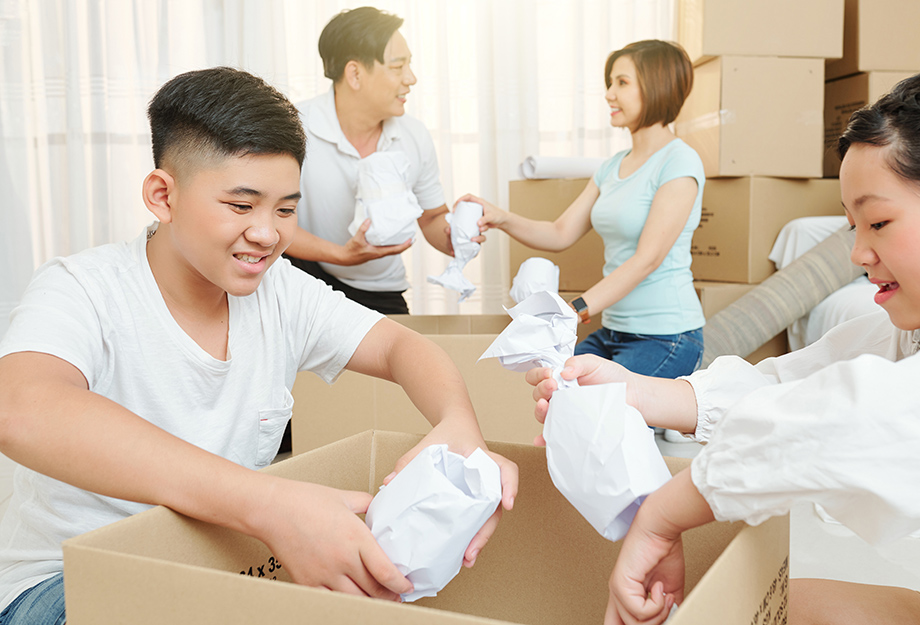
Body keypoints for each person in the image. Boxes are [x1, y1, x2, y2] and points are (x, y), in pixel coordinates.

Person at [0, 66, 517, 625]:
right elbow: (22, 408)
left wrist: (459, 424)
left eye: (286, 209)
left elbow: (400, 347)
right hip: (66, 581)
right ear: (162, 196)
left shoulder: (282, 294)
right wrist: (268, 504)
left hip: (221, 574)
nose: (268, 233)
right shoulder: (83, 288)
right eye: (241, 206)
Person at [528, 67, 920, 625]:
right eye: (852, 226)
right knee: (755, 603)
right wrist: (638, 391)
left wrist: (663, 516)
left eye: (879, 223)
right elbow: (797, 383)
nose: (858, 254)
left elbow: (849, 417)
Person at [461, 39, 705, 381]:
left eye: (621, 83)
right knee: (554, 389)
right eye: (610, 83)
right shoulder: (611, 167)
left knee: (590, 412)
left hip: (667, 338)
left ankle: (669, 418)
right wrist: (501, 217)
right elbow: (560, 233)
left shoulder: (679, 161)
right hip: (613, 333)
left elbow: (647, 259)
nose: (608, 94)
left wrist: (575, 308)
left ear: (657, 87)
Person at [286, 6, 467, 314]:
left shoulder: (413, 135)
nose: (411, 79)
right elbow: (269, 221)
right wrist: (342, 255)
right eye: (398, 67)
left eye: (409, 65)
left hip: (380, 288)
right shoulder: (293, 127)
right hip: (304, 279)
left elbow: (433, 218)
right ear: (355, 73)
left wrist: (459, 235)